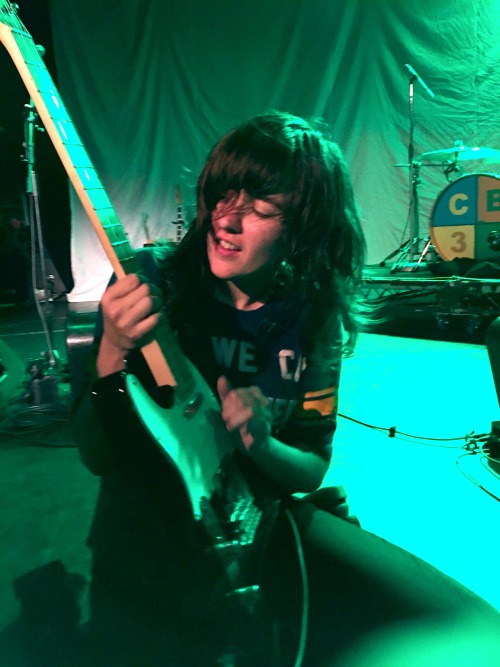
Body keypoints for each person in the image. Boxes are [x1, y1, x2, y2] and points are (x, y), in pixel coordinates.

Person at [72, 111, 499, 666]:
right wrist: (110, 351)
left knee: (469, 632)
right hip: (147, 539)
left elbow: (312, 467)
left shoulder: (311, 317)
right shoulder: (153, 280)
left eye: (262, 209)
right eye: (223, 195)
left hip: (259, 527)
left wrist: (261, 444)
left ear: (302, 228)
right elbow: (96, 456)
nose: (227, 219)